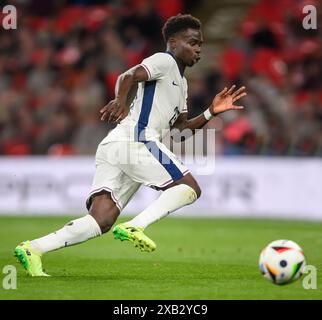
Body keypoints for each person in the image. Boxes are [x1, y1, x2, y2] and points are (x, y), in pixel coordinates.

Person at [14, 14, 247, 276]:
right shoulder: (164, 60)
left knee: (101, 220)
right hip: (136, 140)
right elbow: (128, 75)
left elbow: (179, 131)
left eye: (201, 44)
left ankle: (33, 248)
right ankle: (136, 225)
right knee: (189, 188)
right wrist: (120, 101)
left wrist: (210, 113)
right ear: (173, 41)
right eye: (192, 42)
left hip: (117, 145)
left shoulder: (181, 84)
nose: (198, 49)